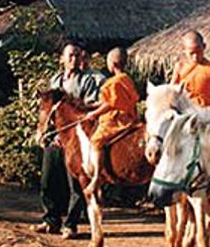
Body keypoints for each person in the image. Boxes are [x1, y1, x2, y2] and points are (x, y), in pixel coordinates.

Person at [31, 42, 100, 239]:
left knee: (76, 185)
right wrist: (48, 134)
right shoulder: (55, 79)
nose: (74, 59)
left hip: (76, 140)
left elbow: (89, 109)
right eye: (70, 56)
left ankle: (71, 224)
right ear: (62, 59)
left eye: (77, 56)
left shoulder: (87, 81)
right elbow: (47, 111)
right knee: (48, 180)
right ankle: (50, 220)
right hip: (54, 138)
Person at [84, 47, 139, 195]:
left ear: (112, 64)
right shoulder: (126, 79)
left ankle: (96, 178)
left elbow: (112, 103)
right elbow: (110, 100)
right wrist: (92, 105)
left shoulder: (114, 82)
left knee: (96, 141)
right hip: (130, 116)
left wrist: (94, 114)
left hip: (117, 120)